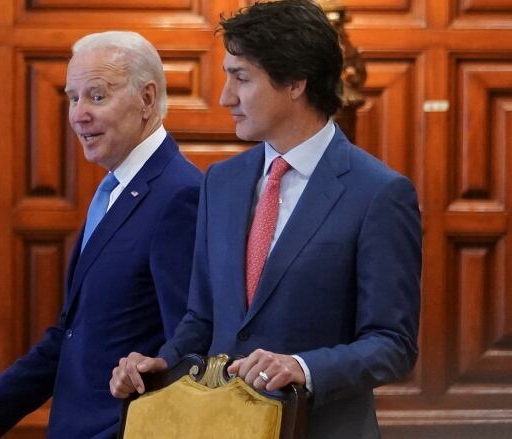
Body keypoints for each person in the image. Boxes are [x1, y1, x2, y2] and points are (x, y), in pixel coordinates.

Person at [109, 1, 422, 438]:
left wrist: (301, 366)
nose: (225, 97)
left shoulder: (380, 193)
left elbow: (393, 344)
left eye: (240, 77)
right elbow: (201, 319)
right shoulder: (221, 181)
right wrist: (164, 361)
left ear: (295, 82)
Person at [0, 31, 202, 439]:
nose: (78, 114)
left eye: (97, 96)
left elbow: (187, 351)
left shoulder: (179, 195)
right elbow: (72, 333)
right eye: (73, 97)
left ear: (147, 99)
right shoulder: (113, 192)